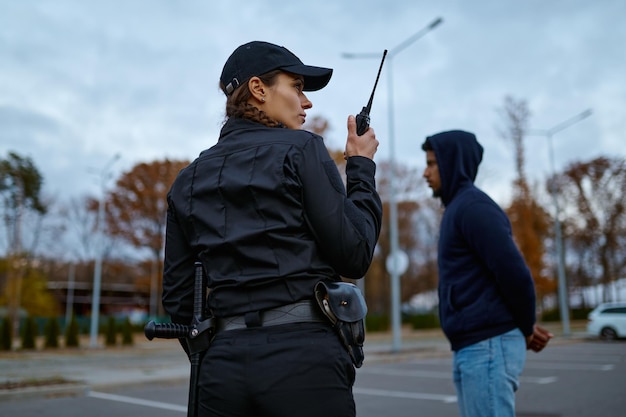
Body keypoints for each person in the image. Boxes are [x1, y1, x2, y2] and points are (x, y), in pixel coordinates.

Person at [162, 41, 382, 417]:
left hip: (220, 372)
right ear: (258, 90)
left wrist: (217, 353)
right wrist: (360, 167)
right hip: (305, 365)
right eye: (296, 87)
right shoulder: (302, 151)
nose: (306, 102)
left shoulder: (187, 180)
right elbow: (355, 252)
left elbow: (179, 298)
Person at [421, 130, 553, 417]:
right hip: (474, 347)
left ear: (451, 163)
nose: (425, 172)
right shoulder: (458, 209)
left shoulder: (474, 208)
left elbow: (515, 273)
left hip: (489, 347)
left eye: (432, 164)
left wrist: (527, 325)